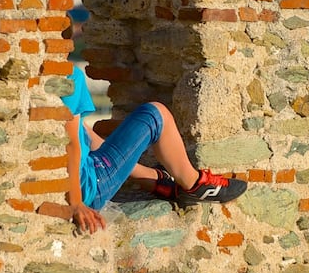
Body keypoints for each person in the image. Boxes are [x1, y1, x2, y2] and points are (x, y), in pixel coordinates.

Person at [60, 62, 247, 234]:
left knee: (94, 142)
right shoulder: (68, 76)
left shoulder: (44, 83)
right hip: (88, 187)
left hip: (86, 173)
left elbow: (83, 136)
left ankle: (157, 180)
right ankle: (194, 184)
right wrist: (76, 202)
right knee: (156, 115)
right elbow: (71, 144)